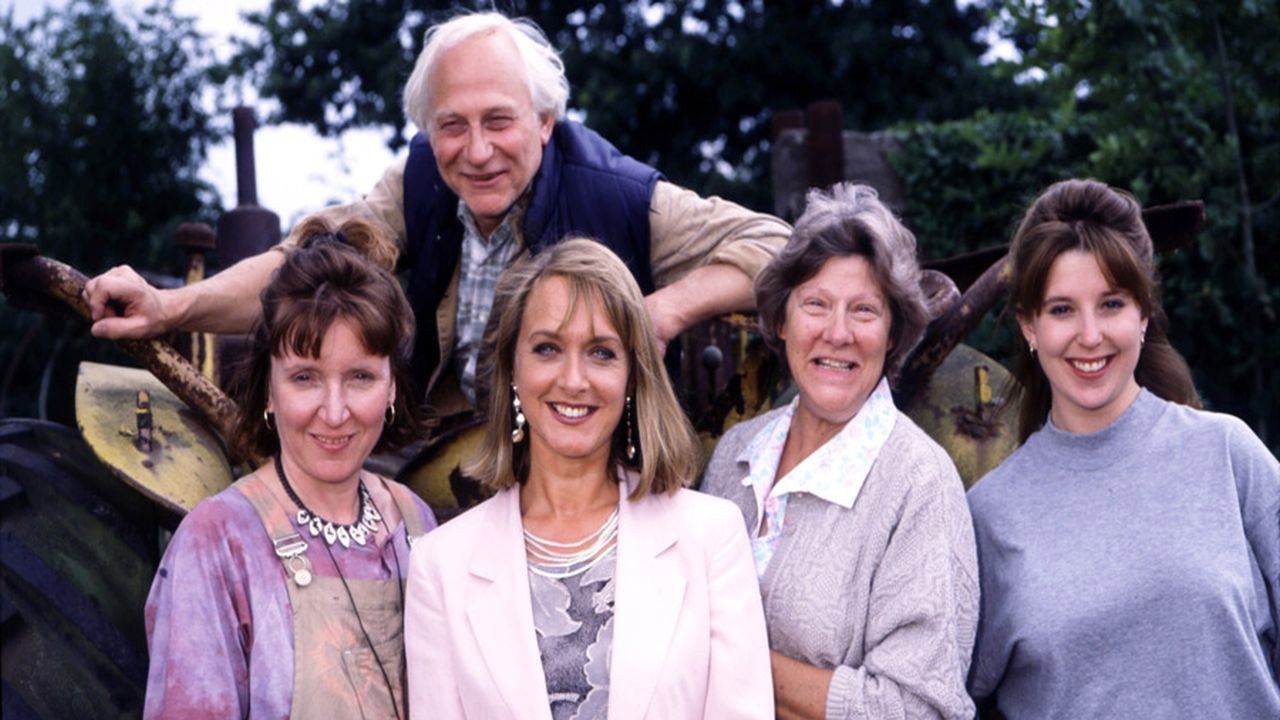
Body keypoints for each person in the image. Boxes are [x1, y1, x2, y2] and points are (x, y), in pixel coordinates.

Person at [85, 10, 789, 426]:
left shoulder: (619, 195)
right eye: (452, 125)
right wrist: (170, 307)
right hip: (440, 455)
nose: (476, 151)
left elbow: (780, 247)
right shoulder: (417, 183)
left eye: (499, 122)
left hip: (585, 463)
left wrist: (658, 312)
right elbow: (299, 268)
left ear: (545, 122)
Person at [404, 238, 772, 719]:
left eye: (601, 352)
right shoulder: (440, 564)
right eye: (548, 348)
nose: (574, 379)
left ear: (632, 377)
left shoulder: (711, 538)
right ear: (513, 369)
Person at [966, 179, 1280, 718]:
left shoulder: (1229, 456)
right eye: (1062, 310)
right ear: (1028, 325)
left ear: (1143, 313)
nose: (1090, 336)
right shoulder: (987, 516)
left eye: (1111, 303)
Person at [700, 183, 979, 720]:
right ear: (781, 321)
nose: (838, 333)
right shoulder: (737, 455)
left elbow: (917, 709)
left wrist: (727, 659)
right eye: (816, 305)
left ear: (894, 333)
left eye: (864, 311)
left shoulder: (919, 483)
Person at [143, 219, 438, 719]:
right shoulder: (218, 541)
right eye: (305, 378)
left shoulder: (415, 523)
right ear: (268, 391)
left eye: (361, 376)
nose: (335, 411)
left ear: (391, 388)